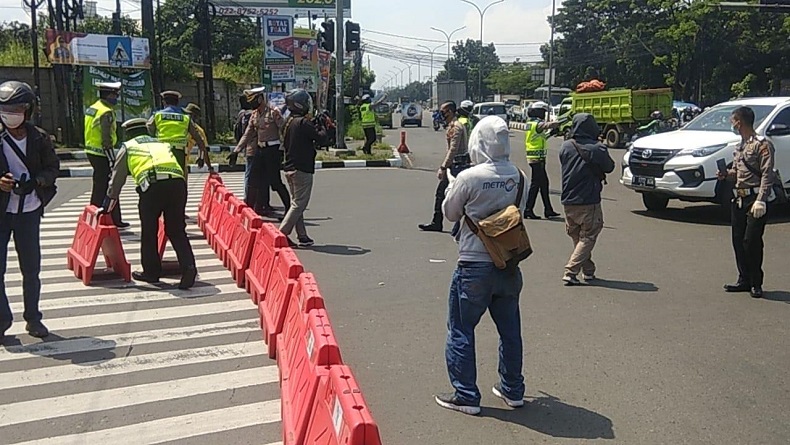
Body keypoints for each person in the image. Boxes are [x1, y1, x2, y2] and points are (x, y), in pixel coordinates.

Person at [434, 116, 527, 416]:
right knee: (510, 330)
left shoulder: (469, 177)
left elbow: (450, 214)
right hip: (508, 263)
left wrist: (453, 189)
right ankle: (512, 390)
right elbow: (515, 215)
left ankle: (466, 395)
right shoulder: (520, 176)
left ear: (479, 141)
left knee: (461, 329)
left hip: (474, 266)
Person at [105, 118, 207, 290]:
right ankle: (189, 267)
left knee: (149, 231)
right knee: (176, 230)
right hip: (177, 185)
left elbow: (117, 179)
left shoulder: (128, 146)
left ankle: (151, 272)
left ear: (128, 133)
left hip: (152, 188)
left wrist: (108, 205)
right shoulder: (161, 144)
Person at [0, 80, 59, 338]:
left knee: (31, 269)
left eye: (16, 108)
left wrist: (37, 182)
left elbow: (52, 168)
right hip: (2, 213)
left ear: (28, 110)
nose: (10, 114)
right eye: (5, 108)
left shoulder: (39, 138)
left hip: (29, 210)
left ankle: (33, 318)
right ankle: (2, 321)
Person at [717, 106, 776, 299]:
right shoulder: (740, 146)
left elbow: (767, 174)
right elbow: (738, 173)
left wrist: (761, 200)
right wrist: (726, 175)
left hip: (756, 198)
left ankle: (756, 282)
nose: (731, 124)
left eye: (733, 121)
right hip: (740, 197)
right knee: (738, 240)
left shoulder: (762, 144)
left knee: (751, 241)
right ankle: (744, 279)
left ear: (740, 122)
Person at [559, 113, 615, 286]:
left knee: (579, 237)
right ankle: (571, 271)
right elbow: (610, 167)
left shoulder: (565, 146)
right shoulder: (597, 149)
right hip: (588, 199)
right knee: (588, 236)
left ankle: (588, 271)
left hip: (568, 200)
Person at [279, 89, 328, 247]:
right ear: (300, 104)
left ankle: (302, 236)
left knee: (296, 202)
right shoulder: (302, 122)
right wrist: (323, 125)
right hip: (301, 168)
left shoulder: (288, 122)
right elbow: (322, 139)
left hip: (289, 167)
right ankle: (281, 234)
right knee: (299, 204)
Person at [234, 87, 290, 218]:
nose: (251, 104)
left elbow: (285, 129)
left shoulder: (273, 112)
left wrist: (286, 149)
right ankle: (248, 212)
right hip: (260, 150)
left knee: (275, 183)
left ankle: (289, 208)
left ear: (260, 99)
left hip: (273, 150)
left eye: (253, 101)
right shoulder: (254, 114)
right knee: (253, 181)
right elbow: (248, 134)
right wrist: (236, 150)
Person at [419, 101, 468, 233]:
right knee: (442, 194)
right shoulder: (453, 125)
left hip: (458, 166)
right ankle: (437, 222)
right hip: (455, 165)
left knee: (457, 196)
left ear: (450, 112)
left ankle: (456, 226)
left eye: (443, 112)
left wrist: (443, 167)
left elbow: (453, 149)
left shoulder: (456, 127)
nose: (441, 115)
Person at [84, 81, 128, 228]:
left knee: (101, 186)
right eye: (115, 95)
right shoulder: (106, 112)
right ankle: (111, 219)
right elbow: (106, 138)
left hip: (92, 152)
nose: (116, 98)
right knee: (110, 186)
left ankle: (106, 217)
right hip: (103, 153)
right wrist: (112, 159)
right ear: (109, 95)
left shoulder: (93, 108)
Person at [147, 90, 208, 177]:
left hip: (161, 153)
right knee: (181, 180)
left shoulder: (157, 115)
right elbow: (199, 139)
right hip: (179, 153)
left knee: (162, 179)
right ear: (177, 102)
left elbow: (148, 132)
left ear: (164, 102)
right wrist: (202, 158)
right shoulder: (185, 118)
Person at [523, 101, 562, 220]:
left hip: (536, 158)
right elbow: (548, 125)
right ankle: (528, 209)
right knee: (536, 184)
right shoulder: (537, 124)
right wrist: (563, 121)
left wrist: (551, 134)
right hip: (537, 159)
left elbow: (542, 137)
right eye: (543, 112)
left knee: (544, 184)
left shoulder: (531, 123)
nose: (544, 114)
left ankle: (548, 209)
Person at [183, 103, 209, 183]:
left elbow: (203, 147)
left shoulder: (198, 130)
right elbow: (203, 147)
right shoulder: (181, 124)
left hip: (182, 161)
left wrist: (200, 158)